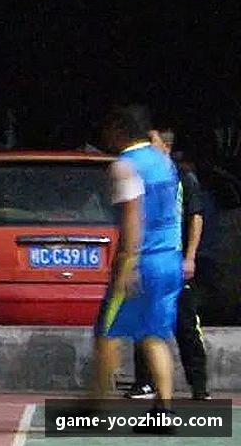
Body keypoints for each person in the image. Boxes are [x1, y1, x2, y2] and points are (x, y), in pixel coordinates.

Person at [90, 105, 182, 425]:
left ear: (119, 128)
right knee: (153, 334)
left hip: (141, 261)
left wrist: (127, 264)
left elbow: (132, 217)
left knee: (107, 332)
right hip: (170, 258)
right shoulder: (164, 161)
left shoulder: (124, 166)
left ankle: (96, 407)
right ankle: (163, 409)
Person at [126, 128, 210, 400]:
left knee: (186, 325)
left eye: (151, 144)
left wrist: (189, 257)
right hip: (149, 262)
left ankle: (199, 386)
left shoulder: (183, 178)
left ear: (165, 146)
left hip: (175, 262)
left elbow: (196, 217)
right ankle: (145, 382)